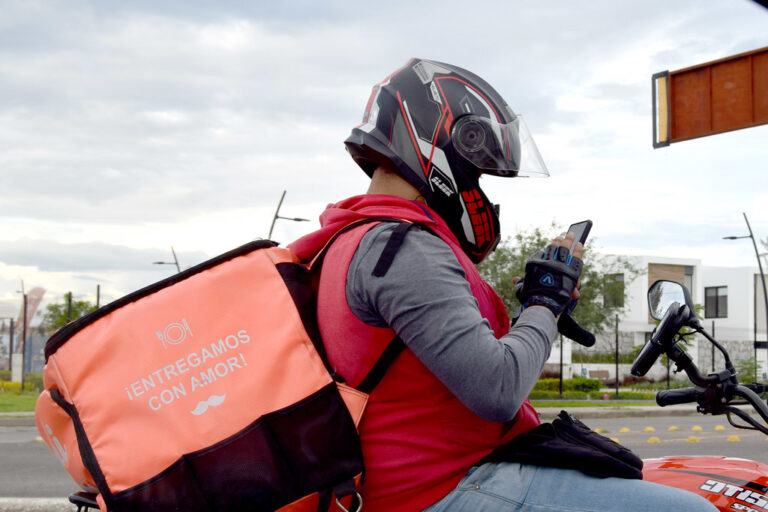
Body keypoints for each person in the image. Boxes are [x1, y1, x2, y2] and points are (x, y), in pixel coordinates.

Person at [289, 59, 717, 512]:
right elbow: (497, 390)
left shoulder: (345, 241)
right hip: (441, 487)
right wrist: (545, 303)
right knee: (695, 509)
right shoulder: (404, 247)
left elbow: (440, 369)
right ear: (440, 144)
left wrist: (533, 315)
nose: (483, 196)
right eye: (477, 173)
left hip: (405, 482)